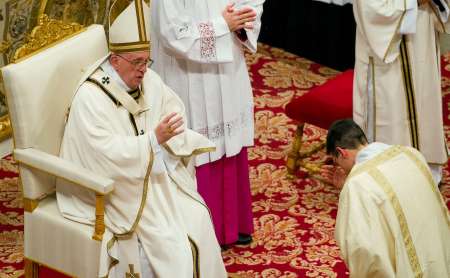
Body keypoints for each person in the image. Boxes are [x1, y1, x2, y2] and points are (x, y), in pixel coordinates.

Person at [56, 0, 227, 277]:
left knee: (198, 219)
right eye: (136, 62)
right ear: (114, 61)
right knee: (173, 247)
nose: (143, 69)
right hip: (115, 190)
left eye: (146, 60)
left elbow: (169, 106)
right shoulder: (91, 98)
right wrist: (152, 141)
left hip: (149, 177)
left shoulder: (146, 78)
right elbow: (102, 154)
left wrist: (173, 136)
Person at [150, 0, 264, 245]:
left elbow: (252, 4)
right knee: (199, 146)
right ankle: (204, 233)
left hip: (229, 65)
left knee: (229, 141)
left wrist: (241, 22)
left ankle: (234, 224)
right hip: (188, 73)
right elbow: (172, 34)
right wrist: (222, 25)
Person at [323, 119, 450, 277]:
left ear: (342, 153)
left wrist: (349, 186)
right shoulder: (410, 154)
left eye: (337, 162)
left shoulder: (357, 184)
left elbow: (363, 250)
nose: (340, 168)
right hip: (438, 257)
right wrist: (348, 183)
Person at [352, 0, 450, 184]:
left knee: (424, 99)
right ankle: (389, 176)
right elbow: (370, 8)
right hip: (388, 49)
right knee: (392, 109)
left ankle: (425, 168)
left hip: (423, 31)